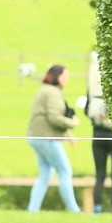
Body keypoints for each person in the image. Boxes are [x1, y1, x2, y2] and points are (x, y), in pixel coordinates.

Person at [25, 64, 80, 213]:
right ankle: (74, 211)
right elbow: (54, 118)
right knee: (65, 171)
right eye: (65, 76)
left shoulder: (44, 90)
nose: (67, 79)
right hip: (47, 138)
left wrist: (67, 135)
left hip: (36, 136)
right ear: (57, 76)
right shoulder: (53, 92)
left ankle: (32, 210)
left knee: (45, 174)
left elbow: (46, 117)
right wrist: (73, 123)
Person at [86, 95, 112, 214]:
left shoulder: (93, 91)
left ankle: (97, 208)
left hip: (98, 135)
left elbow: (87, 111)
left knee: (100, 174)